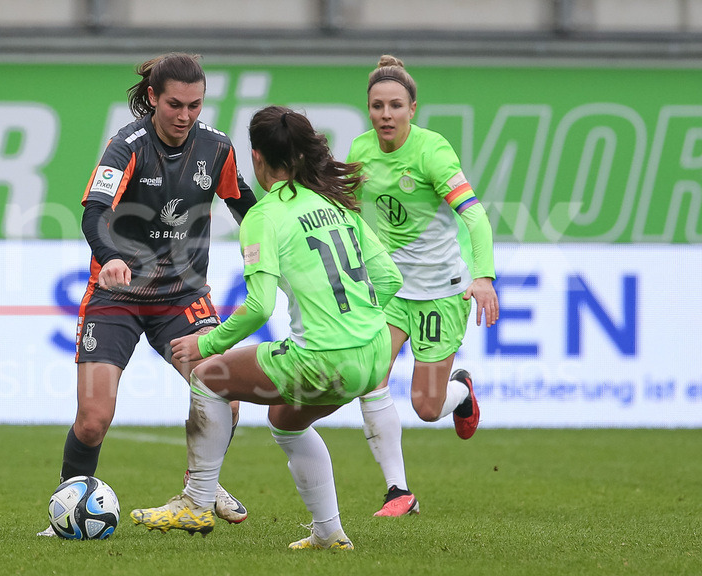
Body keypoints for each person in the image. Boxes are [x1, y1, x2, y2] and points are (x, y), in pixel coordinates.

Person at [129, 106, 403, 550]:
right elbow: (389, 278)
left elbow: (259, 307)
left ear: (257, 158)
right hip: (373, 357)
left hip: (323, 359)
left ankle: (196, 504)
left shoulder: (264, 215)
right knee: (286, 421)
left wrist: (208, 342)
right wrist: (357, 324)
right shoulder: (334, 203)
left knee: (207, 377)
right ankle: (329, 533)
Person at [38, 52, 257, 536]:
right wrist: (111, 255)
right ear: (153, 98)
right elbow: (93, 213)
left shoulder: (217, 149)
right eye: (175, 104)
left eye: (195, 106)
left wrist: (274, 249)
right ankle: (66, 510)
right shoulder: (126, 146)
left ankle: (200, 487)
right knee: (93, 419)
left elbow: (246, 207)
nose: (184, 116)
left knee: (226, 394)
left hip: (182, 295)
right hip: (116, 296)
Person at [345, 55, 499, 517]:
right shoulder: (361, 150)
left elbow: (474, 216)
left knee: (427, 408)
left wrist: (484, 275)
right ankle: (399, 492)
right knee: (369, 377)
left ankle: (462, 392)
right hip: (391, 290)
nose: (385, 114)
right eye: (377, 106)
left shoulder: (433, 152)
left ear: (413, 108)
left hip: (439, 289)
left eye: (395, 105)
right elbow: (348, 212)